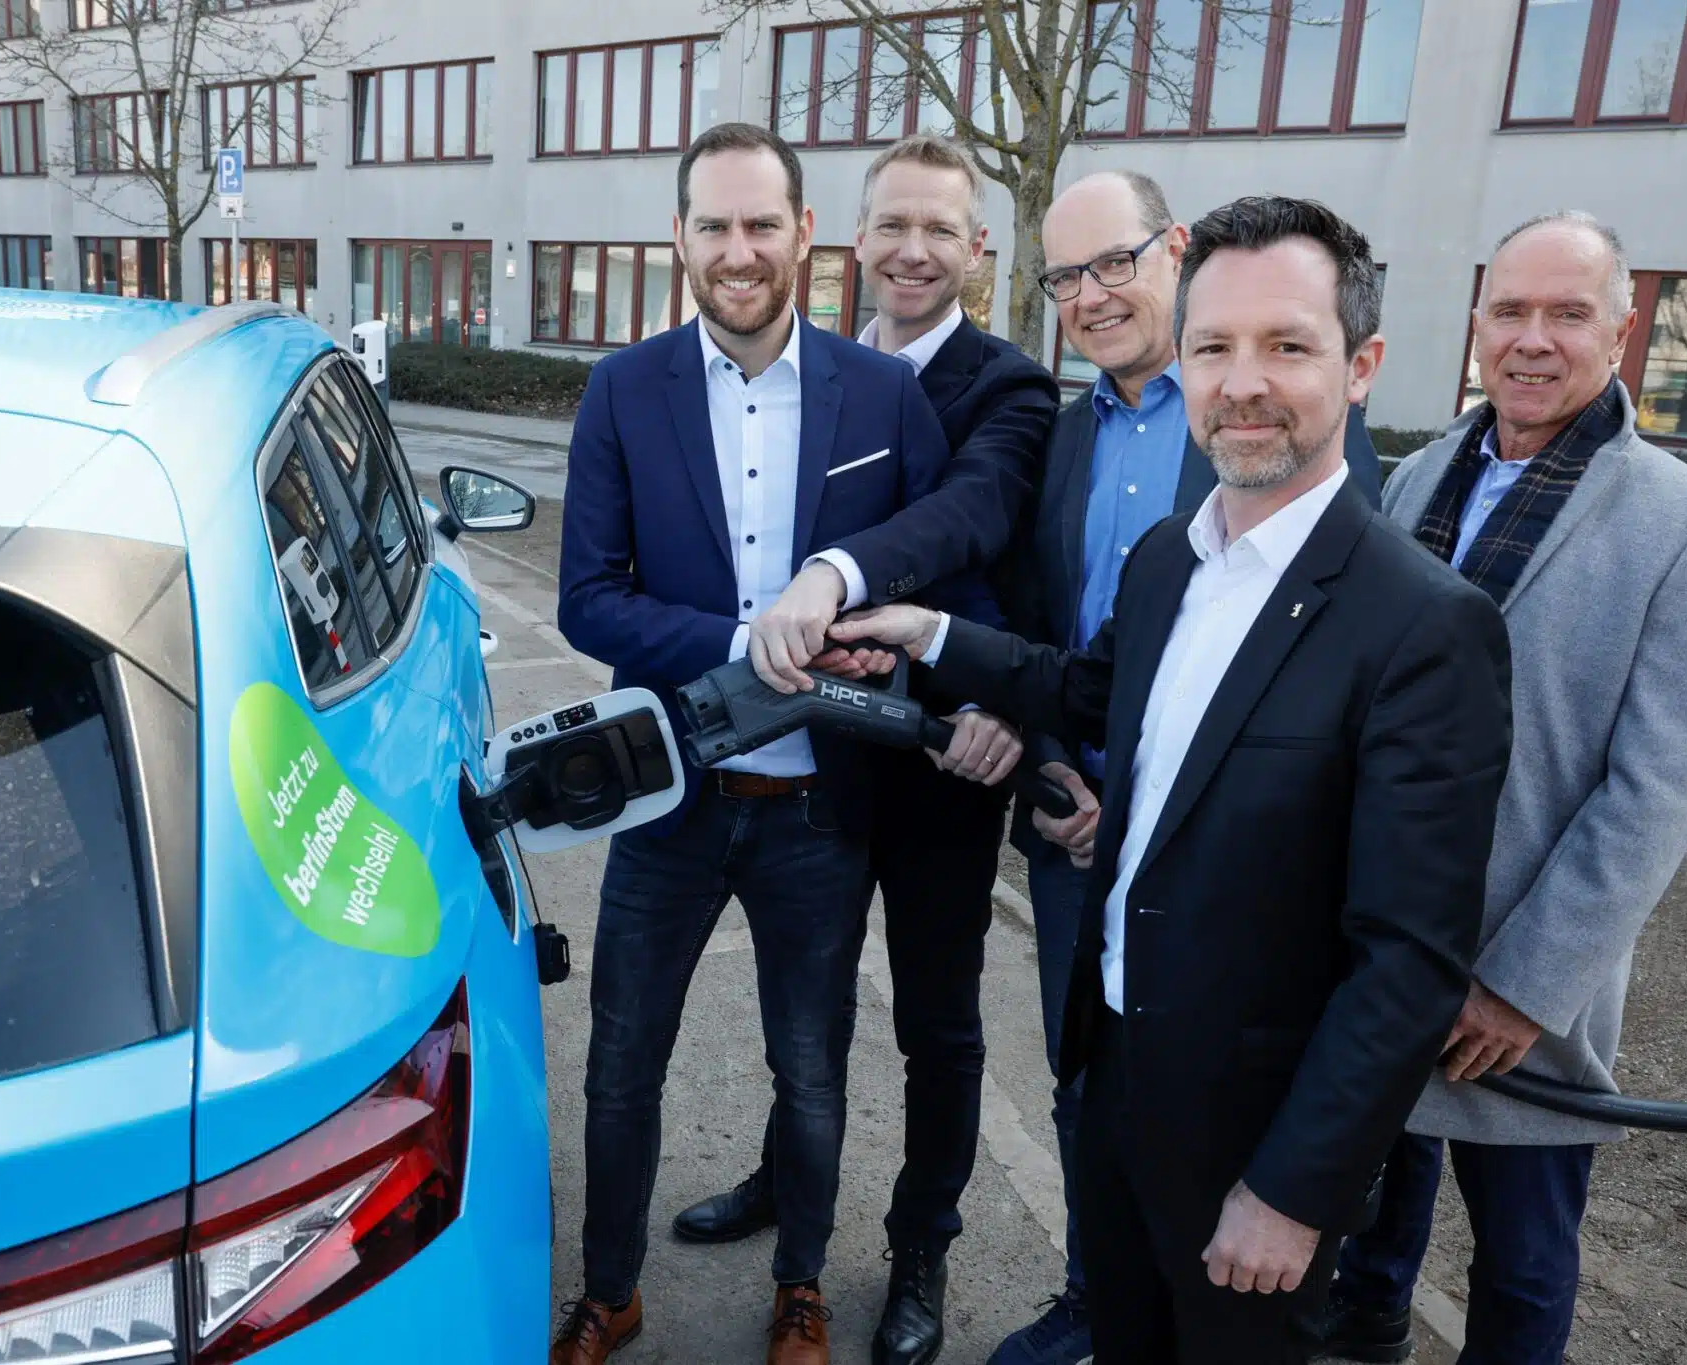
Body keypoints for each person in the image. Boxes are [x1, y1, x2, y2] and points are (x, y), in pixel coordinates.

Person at [821, 195, 1516, 1364]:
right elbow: (1081, 689)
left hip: (1251, 1142)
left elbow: (1407, 961)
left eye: (1285, 346)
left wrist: (1292, 1191)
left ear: (1359, 369)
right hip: (1115, 1082)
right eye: (1212, 348)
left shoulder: (1423, 625)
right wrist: (923, 632)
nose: (1241, 383)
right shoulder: (1166, 561)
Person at [1321, 212, 1687, 1365]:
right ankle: (1366, 1330)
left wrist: (1523, 987)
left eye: (1566, 314)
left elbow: (1657, 790)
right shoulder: (1416, 478)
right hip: (1379, 944)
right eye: (1509, 310)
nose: (1531, 338)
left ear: (1619, 332)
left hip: (1520, 985)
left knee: (1520, 1263)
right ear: (1476, 325)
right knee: (1370, 1207)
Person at [550, 122, 956, 1365]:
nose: (738, 250)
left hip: (818, 813)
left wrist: (889, 652)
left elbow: (933, 560)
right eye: (714, 226)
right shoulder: (623, 389)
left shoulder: (881, 394)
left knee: (811, 1072)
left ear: (804, 235)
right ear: (679, 238)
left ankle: (801, 1289)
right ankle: (611, 1291)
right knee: (620, 1067)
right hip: (668, 797)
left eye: (761, 224)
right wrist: (751, 641)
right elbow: (587, 600)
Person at [667, 133, 1060, 1365]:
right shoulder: (811, 367)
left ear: (977, 250)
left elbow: (970, 517)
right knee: (809, 1008)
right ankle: (786, 1181)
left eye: (939, 229)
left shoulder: (1010, 388)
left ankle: (920, 1251)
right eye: (892, 224)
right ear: (853, 238)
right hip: (824, 759)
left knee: (937, 1027)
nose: (912, 250)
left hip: (946, 758)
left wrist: (849, 588)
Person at [983, 170, 1385, 1365]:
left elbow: (1320, 667)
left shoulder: (1279, 438)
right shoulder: (1072, 444)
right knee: (1090, 1098)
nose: (1092, 294)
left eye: (1114, 261)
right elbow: (1053, 640)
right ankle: (1094, 1294)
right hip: (1075, 839)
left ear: (1172, 248)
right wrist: (1048, 770)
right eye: (1064, 276)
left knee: (1213, 1134)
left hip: (1224, 873)